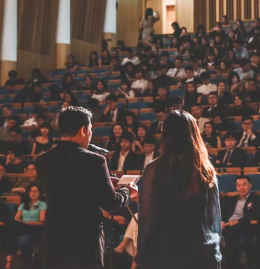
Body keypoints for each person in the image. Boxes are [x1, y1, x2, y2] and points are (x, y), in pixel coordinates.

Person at [36, 107, 137, 269]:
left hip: (54, 237)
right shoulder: (96, 161)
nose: (90, 134)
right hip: (85, 239)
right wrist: (127, 191)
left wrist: (99, 181)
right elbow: (110, 202)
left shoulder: (42, 160)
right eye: (90, 130)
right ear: (83, 130)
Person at [135, 110, 222, 269]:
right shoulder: (205, 169)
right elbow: (212, 217)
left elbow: (146, 218)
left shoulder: (153, 168)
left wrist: (143, 252)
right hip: (200, 249)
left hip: (163, 249)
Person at [221, 175, 260, 269]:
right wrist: (222, 222)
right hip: (229, 227)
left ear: (250, 185)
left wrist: (238, 221)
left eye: (244, 184)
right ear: (236, 187)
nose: (241, 187)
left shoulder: (257, 199)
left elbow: (258, 217)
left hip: (246, 227)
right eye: (238, 185)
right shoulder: (231, 200)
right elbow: (224, 215)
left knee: (234, 236)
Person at [3, 183, 47, 269]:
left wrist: (30, 222)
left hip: (34, 227)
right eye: (31, 191)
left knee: (9, 231)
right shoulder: (24, 204)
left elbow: (42, 221)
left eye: (36, 191)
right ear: (28, 193)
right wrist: (23, 222)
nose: (33, 193)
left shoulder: (42, 204)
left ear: (39, 193)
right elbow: (16, 218)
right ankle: (8, 263)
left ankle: (9, 262)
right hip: (23, 226)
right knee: (9, 226)